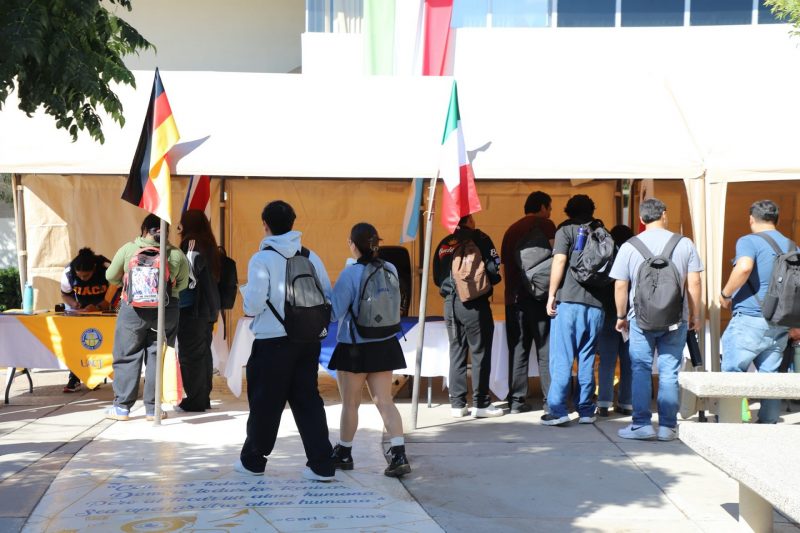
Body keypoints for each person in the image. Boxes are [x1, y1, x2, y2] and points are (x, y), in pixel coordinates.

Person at [233, 200, 335, 481]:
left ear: (265, 225)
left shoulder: (261, 259)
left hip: (273, 342)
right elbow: (327, 296)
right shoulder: (310, 256)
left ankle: (254, 460)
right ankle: (322, 464)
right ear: (292, 223)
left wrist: (246, 294)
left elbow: (253, 305)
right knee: (308, 400)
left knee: (266, 402)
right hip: (307, 339)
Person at [610, 198, 703, 441]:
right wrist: (694, 314)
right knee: (669, 371)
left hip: (639, 319)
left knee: (640, 369)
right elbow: (694, 282)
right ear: (664, 214)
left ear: (641, 219)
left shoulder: (629, 246)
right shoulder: (684, 243)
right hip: (676, 318)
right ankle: (667, 427)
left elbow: (620, 285)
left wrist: (621, 316)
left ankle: (641, 424)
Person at [328, 223, 411, 478]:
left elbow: (334, 312)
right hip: (385, 341)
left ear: (352, 245)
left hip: (355, 344)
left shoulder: (350, 274)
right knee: (384, 400)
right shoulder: (390, 268)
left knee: (350, 403)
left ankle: (344, 452)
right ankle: (399, 454)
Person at [105, 214, 190, 421]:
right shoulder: (176, 254)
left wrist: (128, 285)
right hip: (166, 309)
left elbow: (111, 277)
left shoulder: (128, 249)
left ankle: (122, 407)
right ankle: (153, 409)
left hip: (132, 310)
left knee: (127, 355)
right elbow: (182, 284)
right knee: (158, 356)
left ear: (144, 230)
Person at [719, 200, 796, 424]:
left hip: (750, 318)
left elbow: (744, 267)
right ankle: (768, 424)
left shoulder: (749, 241)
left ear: (751, 219)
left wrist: (725, 294)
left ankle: (731, 423)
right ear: (777, 220)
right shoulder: (792, 246)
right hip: (780, 321)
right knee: (769, 377)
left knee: (733, 372)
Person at [543, 194, 610, 426]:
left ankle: (558, 410)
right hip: (596, 306)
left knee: (562, 357)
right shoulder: (602, 231)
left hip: (569, 302)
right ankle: (586, 410)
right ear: (592, 210)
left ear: (568, 210)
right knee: (587, 358)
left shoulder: (566, 229)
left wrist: (551, 294)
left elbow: (559, 261)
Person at [433, 214, 504, 419]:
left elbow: (437, 278)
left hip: (450, 304)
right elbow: (494, 271)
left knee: (456, 351)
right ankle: (481, 403)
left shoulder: (444, 242)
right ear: (469, 220)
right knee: (480, 352)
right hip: (475, 304)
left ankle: (457, 404)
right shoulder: (480, 238)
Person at [500, 191, 556, 414]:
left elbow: (504, 267)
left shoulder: (511, 230)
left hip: (514, 299)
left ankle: (516, 400)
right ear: (542, 207)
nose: (550, 212)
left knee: (518, 350)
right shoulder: (546, 225)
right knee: (545, 349)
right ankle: (550, 400)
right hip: (540, 298)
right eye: (549, 207)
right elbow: (556, 258)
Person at [176, 209, 222, 412]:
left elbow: (188, 274)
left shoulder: (192, 243)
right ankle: (203, 398)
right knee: (203, 353)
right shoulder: (210, 243)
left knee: (190, 355)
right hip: (209, 307)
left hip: (193, 308)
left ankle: (195, 399)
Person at [60, 247, 113, 392]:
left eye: (86, 275)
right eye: (80, 276)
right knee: (77, 343)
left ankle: (98, 375)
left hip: (105, 311)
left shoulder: (106, 268)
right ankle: (75, 377)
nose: (83, 279)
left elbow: (116, 289)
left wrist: (100, 306)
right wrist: (74, 304)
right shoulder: (68, 272)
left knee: (102, 344)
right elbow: (65, 294)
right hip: (81, 312)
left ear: (94, 268)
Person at [596, 225, 634, 417]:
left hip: (608, 315)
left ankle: (604, 403)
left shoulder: (605, 258)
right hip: (630, 315)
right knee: (628, 361)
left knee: (607, 361)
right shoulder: (634, 257)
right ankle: (627, 403)